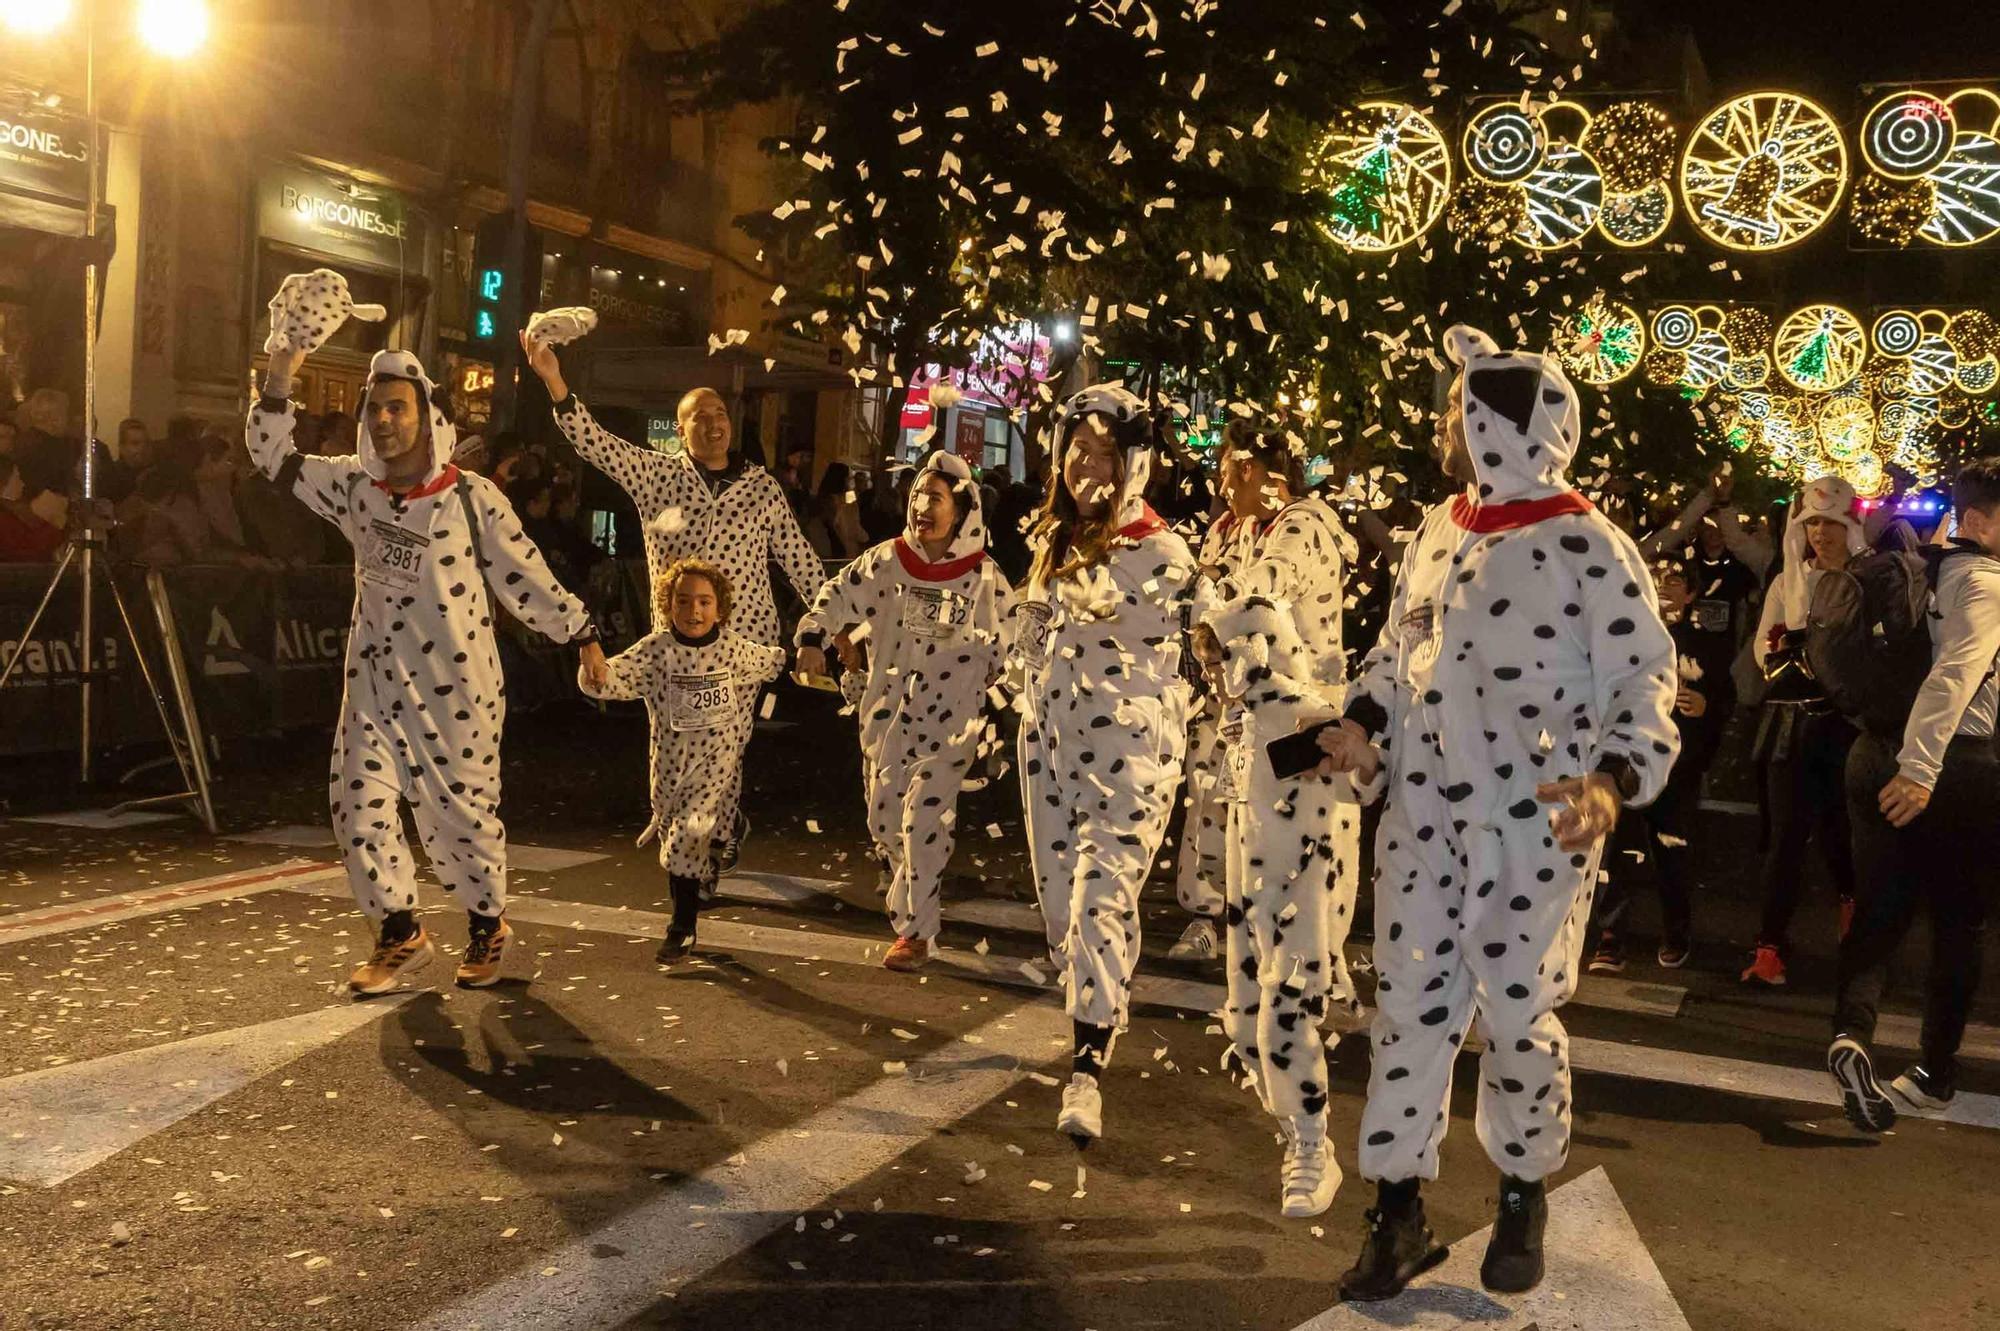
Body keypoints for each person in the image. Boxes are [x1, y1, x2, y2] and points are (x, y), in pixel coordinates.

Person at [1316, 325, 1679, 1301]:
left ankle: (1521, 1190)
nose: (1443, 420)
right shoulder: (1438, 525)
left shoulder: (1583, 542)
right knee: (1406, 1010)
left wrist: (1608, 778)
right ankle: (1395, 1212)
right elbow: (1394, 657)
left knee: (1517, 1016)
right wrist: (1361, 729)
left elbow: (1642, 677)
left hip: (1532, 824)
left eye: (1456, 405)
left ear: (1497, 423)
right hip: (1423, 817)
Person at [250, 280, 606, 999]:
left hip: (459, 692)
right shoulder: (354, 487)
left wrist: (584, 635)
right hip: (374, 688)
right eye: (374, 409)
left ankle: (486, 921)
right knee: (356, 805)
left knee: (461, 819)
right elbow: (273, 457)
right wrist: (283, 367)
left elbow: (527, 578)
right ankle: (399, 929)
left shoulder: (473, 499)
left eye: (396, 407)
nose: (383, 420)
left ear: (426, 415)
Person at [524, 329, 820, 866]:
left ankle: (711, 843)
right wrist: (555, 382)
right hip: (675, 643)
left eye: (720, 416)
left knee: (725, 744)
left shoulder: (760, 487)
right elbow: (594, 442)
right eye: (699, 417)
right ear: (680, 431)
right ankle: (695, 825)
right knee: (677, 742)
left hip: (742, 638)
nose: (713, 424)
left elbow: (797, 557)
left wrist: (831, 619)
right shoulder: (654, 476)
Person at [1016, 383, 1195, 1144]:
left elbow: (1210, 631)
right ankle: (1098, 1005)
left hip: (1129, 763)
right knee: (1064, 918)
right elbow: (1031, 632)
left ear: (1133, 464)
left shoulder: (1162, 551)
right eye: (1076, 450)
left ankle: (1086, 1068)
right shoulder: (1053, 539)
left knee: (1098, 906)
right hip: (1049, 750)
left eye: (1102, 453)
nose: (1086, 466)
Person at [1827, 459, 2000, 1131]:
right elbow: (1955, 674)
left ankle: (1851, 1032)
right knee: (1959, 922)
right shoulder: (1985, 581)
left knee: (1881, 908)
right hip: (1951, 768)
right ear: (1981, 520)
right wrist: (1922, 768)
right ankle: (1932, 1070)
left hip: (1873, 752)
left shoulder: (1921, 569)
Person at [796, 451, 1014, 972]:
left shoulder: (984, 577)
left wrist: (1008, 699)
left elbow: (1011, 646)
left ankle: (916, 930)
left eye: (934, 499)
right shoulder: (887, 560)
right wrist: (813, 636)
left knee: (923, 822)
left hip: (951, 726)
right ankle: (914, 905)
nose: (922, 506)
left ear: (961, 511)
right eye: (917, 496)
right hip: (885, 719)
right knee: (885, 820)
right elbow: (835, 595)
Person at [1170, 420, 1359, 972]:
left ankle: (1314, 965)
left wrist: (1206, 606)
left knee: (1300, 842)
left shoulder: (1304, 525)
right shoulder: (1243, 525)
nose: (1221, 484)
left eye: (1226, 470)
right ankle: (1219, 924)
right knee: (1220, 815)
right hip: (1245, 713)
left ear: (1250, 467)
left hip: (1300, 719)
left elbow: (1260, 586)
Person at [1195, 596, 1361, 1219]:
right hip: (1251, 905)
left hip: (1301, 899)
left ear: (1252, 653)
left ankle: (1315, 1149)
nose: (1212, 675)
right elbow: (1236, 798)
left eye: (1220, 658)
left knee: (1283, 1024)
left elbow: (1360, 781)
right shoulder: (1240, 715)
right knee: (1243, 1028)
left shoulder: (1302, 712)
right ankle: (1299, 1133)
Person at [580, 558, 785, 962]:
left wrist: (804, 659)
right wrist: (596, 675)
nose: (695, 611)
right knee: (679, 833)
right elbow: (614, 676)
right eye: (684, 601)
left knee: (688, 833)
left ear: (720, 608)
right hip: (669, 765)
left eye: (705, 602)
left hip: (716, 762)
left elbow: (770, 662)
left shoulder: (731, 647)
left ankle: (682, 926)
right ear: (668, 604)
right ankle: (691, 896)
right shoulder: (657, 651)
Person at [1742, 476, 1866, 988]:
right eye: (1812, 522)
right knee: (1786, 840)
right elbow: (1764, 652)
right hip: (1790, 726)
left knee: (1844, 833)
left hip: (1848, 727)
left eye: (1831, 522)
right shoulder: (1786, 581)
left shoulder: (1867, 579)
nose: (1821, 532)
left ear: (1849, 526)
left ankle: (1856, 924)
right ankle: (1769, 948)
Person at [1587, 561, 1726, 972]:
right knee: (1617, 849)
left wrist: (1705, 706)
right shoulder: (1628, 634)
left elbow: (1727, 695)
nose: (1665, 589)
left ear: (1692, 594)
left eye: (1676, 582)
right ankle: (1611, 937)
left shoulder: (1705, 641)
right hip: (1627, 758)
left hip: (1678, 764)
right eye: (1659, 580)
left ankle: (1676, 931)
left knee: (1672, 847)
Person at [0, 455, 66, 560]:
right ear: (3, 483)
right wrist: (55, 526)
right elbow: (31, 549)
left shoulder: (15, 513)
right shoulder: (5, 520)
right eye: (17, 478)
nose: (22, 484)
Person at [808, 461, 870, 560]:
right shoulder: (846, 500)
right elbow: (851, 526)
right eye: (849, 478)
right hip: (843, 548)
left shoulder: (823, 498)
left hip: (826, 546)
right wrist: (866, 539)